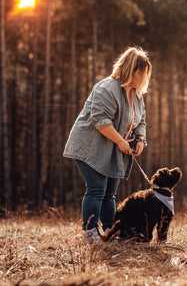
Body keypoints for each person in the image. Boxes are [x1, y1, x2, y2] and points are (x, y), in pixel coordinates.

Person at [63, 47, 152, 243]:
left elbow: (142, 121)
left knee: (110, 193)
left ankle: (111, 231)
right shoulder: (106, 88)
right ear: (131, 70)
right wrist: (121, 141)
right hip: (89, 147)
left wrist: (141, 140)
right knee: (97, 188)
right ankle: (91, 232)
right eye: (141, 72)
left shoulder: (136, 95)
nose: (144, 77)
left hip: (112, 149)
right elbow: (100, 120)